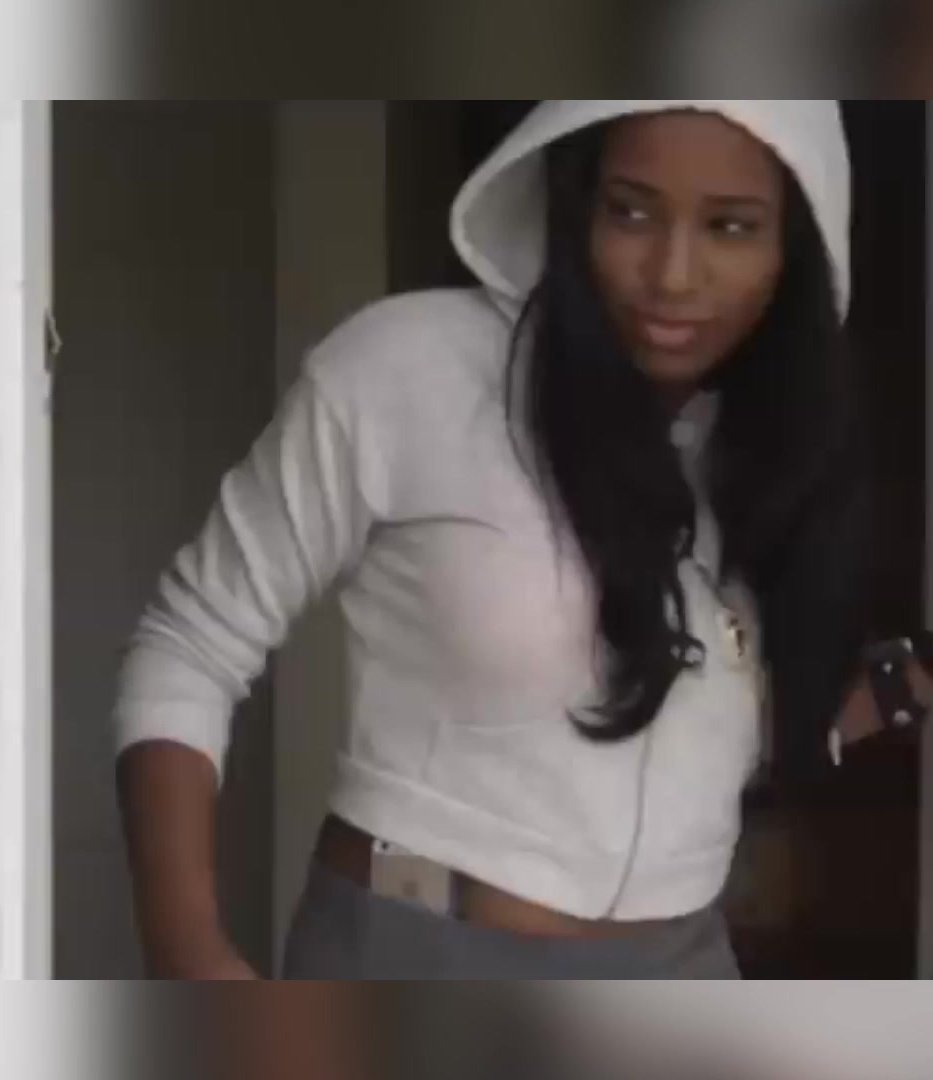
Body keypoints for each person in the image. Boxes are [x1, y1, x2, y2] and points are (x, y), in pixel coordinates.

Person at [113, 99, 932, 979]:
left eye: (730, 227)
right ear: (577, 201)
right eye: (632, 211)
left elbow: (707, 733)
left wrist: (901, 679)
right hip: (419, 955)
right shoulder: (411, 367)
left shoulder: (772, 447)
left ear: (792, 247)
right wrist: (187, 949)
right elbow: (189, 644)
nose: (673, 274)